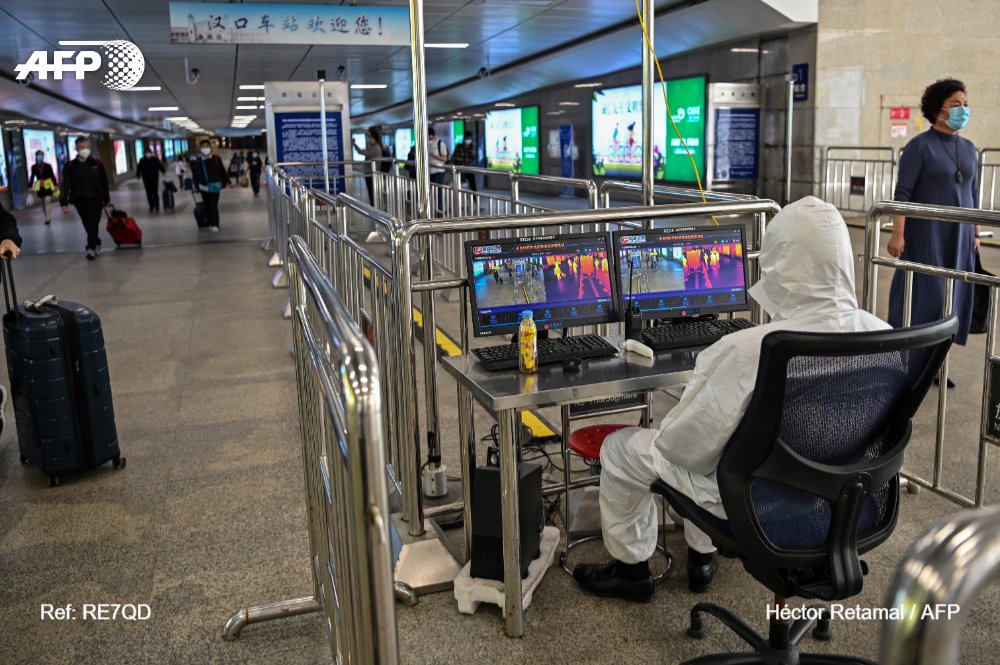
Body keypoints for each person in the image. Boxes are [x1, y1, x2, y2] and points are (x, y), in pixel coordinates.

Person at [573, 197, 889, 603]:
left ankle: (631, 571)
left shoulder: (748, 350)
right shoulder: (884, 336)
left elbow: (685, 448)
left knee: (627, 449)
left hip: (751, 502)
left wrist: (666, 427)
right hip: (840, 500)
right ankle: (701, 561)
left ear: (778, 266)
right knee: (718, 448)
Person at [887, 78, 978, 374]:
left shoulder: (969, 148)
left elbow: (972, 194)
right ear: (937, 110)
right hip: (926, 234)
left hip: (960, 234)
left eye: (965, 104)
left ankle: (937, 366)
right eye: (955, 105)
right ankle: (907, 363)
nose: (962, 110)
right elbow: (903, 194)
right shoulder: (919, 147)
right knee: (925, 297)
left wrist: (975, 232)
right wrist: (897, 234)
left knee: (953, 301)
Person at [60, 137, 110, 260]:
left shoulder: (97, 164)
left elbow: (104, 182)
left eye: (87, 147)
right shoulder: (70, 166)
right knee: (87, 224)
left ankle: (90, 248)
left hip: (96, 199)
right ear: (76, 148)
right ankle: (97, 242)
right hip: (79, 200)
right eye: (82, 147)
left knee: (93, 223)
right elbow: (66, 185)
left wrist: (107, 199)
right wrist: (64, 202)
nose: (85, 150)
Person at [191, 140, 230, 232]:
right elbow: (195, 175)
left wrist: (228, 181)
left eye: (207, 146)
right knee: (207, 205)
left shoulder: (216, 158)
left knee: (213, 205)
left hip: (215, 186)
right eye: (203, 147)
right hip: (203, 187)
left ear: (210, 148)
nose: (205, 149)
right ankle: (209, 222)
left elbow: (222, 170)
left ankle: (215, 224)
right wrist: (196, 187)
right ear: (200, 149)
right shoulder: (198, 161)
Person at [353, 127, 384, 206]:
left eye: (370, 137)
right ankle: (374, 207)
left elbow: (364, 153)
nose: (369, 138)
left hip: (372, 174)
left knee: (373, 193)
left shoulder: (376, 147)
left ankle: (375, 208)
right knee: (371, 193)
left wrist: (355, 145)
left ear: (374, 138)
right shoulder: (372, 146)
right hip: (370, 173)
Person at [27, 150, 58, 225]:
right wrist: (30, 186)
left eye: (41, 155)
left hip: (48, 184)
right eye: (38, 155)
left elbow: (52, 175)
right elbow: (32, 177)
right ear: (36, 156)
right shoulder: (34, 167)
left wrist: (55, 185)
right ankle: (46, 216)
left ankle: (48, 217)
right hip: (39, 185)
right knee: (43, 202)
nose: (40, 157)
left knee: (48, 200)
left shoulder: (48, 166)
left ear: (43, 156)